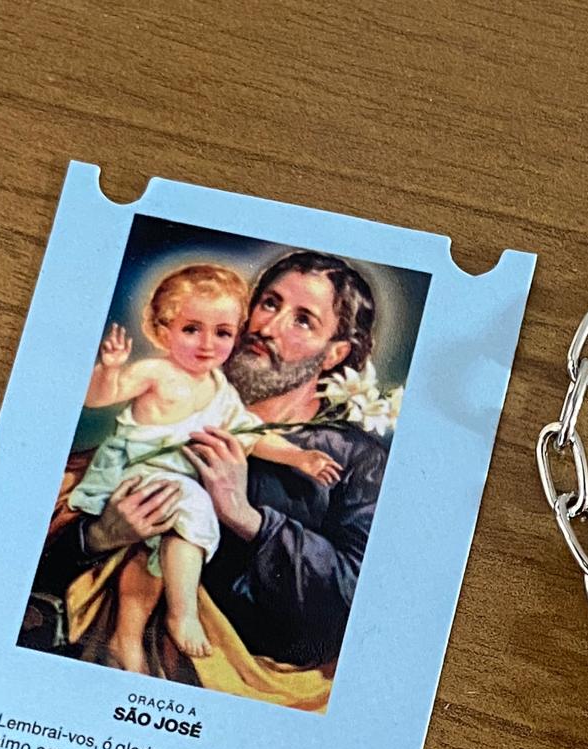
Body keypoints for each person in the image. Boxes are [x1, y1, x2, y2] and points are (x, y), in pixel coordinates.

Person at [30, 250, 391, 696]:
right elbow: (29, 550)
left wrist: (247, 518)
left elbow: (358, 601)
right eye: (269, 303)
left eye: (302, 320)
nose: (267, 327)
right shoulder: (177, 403)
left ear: (335, 353)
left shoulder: (357, 459)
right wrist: (99, 536)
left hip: (254, 691)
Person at [66, 264, 340, 670]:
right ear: (163, 330)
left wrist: (297, 457)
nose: (208, 345)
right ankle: (182, 614)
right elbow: (97, 398)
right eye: (192, 329)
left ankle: (127, 639)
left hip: (171, 485)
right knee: (192, 506)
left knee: (155, 558)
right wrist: (109, 369)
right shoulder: (157, 371)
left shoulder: (220, 389)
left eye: (223, 333)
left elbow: (250, 434)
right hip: (136, 473)